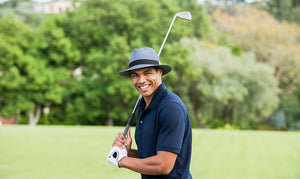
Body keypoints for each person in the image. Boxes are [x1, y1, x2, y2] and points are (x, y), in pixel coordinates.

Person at [110, 47, 193, 179]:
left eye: (147, 73)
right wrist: (128, 152)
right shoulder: (144, 105)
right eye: (135, 75)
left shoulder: (171, 108)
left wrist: (121, 160)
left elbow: (163, 165)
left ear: (159, 73)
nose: (141, 80)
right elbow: (151, 155)